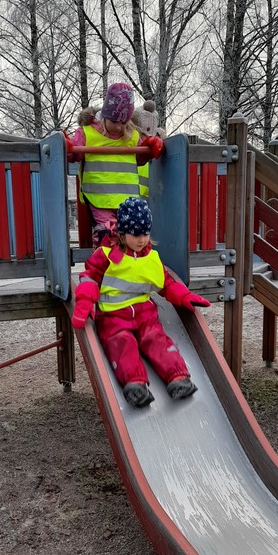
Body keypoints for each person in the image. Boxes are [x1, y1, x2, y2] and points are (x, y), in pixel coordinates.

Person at [71, 197, 211, 408]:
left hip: (145, 314)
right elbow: (90, 278)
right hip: (113, 316)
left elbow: (166, 283)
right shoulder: (106, 255)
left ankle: (177, 377)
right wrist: (84, 303)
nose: (142, 240)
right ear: (122, 233)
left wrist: (184, 296)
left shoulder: (151, 258)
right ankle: (135, 384)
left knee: (156, 338)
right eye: (136, 235)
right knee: (121, 343)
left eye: (145, 234)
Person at [65, 82, 165, 247]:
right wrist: (66, 147)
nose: (119, 127)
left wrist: (150, 147)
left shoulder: (131, 135)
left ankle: (128, 262)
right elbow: (73, 154)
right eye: (114, 121)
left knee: (131, 236)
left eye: (123, 122)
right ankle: (103, 261)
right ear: (105, 115)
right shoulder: (87, 133)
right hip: (99, 198)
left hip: (126, 200)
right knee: (107, 233)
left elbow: (140, 159)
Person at [131, 99, 166, 198]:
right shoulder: (129, 147)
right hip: (131, 198)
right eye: (141, 134)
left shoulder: (156, 149)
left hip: (150, 200)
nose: (143, 139)